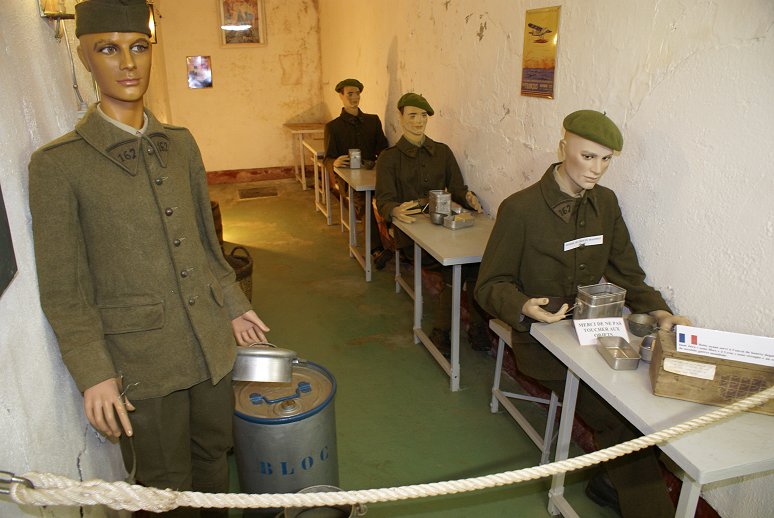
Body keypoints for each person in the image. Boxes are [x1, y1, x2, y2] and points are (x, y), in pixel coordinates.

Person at [27, 1, 269, 515]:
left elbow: (205, 243)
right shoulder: (59, 165)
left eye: (138, 46)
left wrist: (232, 303)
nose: (128, 63)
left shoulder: (179, 145)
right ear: (84, 57)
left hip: (210, 345)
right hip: (141, 362)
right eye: (107, 49)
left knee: (213, 458)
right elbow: (65, 291)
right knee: (163, 487)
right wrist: (94, 371)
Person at [475, 109, 691, 517]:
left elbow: (627, 272)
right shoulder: (520, 209)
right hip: (544, 342)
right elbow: (489, 285)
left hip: (597, 333)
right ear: (563, 148)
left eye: (606, 159)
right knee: (620, 422)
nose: (597, 169)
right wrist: (522, 305)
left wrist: (660, 312)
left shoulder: (605, 204)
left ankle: (610, 481)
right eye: (588, 156)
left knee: (653, 408)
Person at [375, 92, 489, 353]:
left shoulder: (443, 152)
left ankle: (477, 326)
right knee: (453, 268)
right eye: (412, 115)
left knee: (476, 263)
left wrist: (468, 198)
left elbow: (457, 188)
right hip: (411, 234)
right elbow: (384, 200)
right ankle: (441, 330)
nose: (418, 121)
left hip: (443, 229)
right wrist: (393, 210)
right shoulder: (389, 158)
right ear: (401, 117)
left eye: (423, 115)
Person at [324, 78, 389, 261]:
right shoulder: (333, 127)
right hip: (349, 180)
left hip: (372, 174)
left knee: (393, 196)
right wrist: (335, 162)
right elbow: (327, 158)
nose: (354, 97)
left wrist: (380, 162)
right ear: (341, 96)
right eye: (350, 94)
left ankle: (401, 247)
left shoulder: (372, 121)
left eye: (357, 93)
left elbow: (383, 149)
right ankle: (376, 250)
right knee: (363, 200)